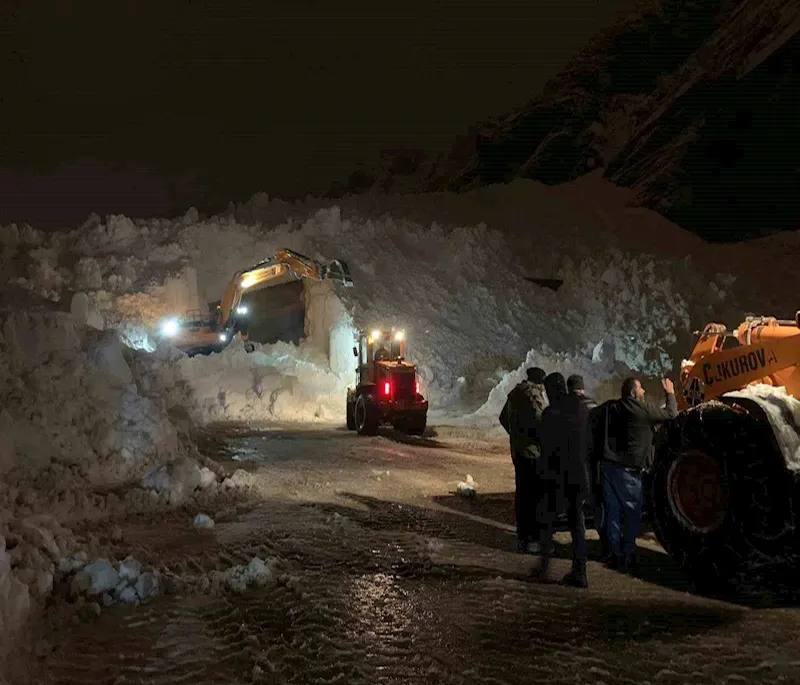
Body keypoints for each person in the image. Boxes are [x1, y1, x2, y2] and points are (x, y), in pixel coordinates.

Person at [597, 376, 678, 571]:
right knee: (632, 514)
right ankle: (628, 554)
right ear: (633, 393)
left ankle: (614, 554)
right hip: (630, 472)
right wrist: (670, 393)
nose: (644, 392)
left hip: (609, 469)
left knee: (613, 514)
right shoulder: (641, 410)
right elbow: (671, 414)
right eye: (641, 389)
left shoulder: (611, 407)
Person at [534, 372, 593, 587]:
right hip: (579, 475)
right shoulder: (581, 408)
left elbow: (545, 446)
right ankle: (580, 571)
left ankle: (544, 566)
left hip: (556, 476)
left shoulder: (550, 414)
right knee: (577, 523)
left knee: (547, 520)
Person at [499, 367, 548, 554]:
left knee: (521, 494)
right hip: (532, 452)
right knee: (533, 496)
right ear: (539, 382)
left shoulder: (515, 393)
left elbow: (503, 417)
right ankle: (532, 538)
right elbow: (540, 422)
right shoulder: (532, 395)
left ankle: (522, 534)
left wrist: (515, 434)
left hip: (518, 451)